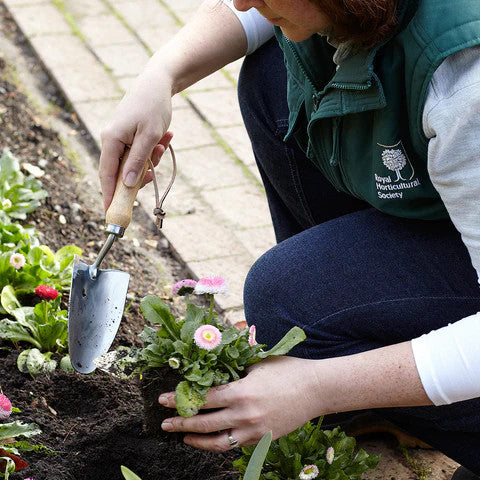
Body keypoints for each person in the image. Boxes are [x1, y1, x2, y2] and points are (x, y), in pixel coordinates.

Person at [99, 1, 480, 478]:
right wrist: (160, 75)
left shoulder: (465, 82)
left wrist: (318, 386)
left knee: (289, 299)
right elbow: (255, 17)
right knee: (273, 75)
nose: (240, 0)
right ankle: (372, 385)